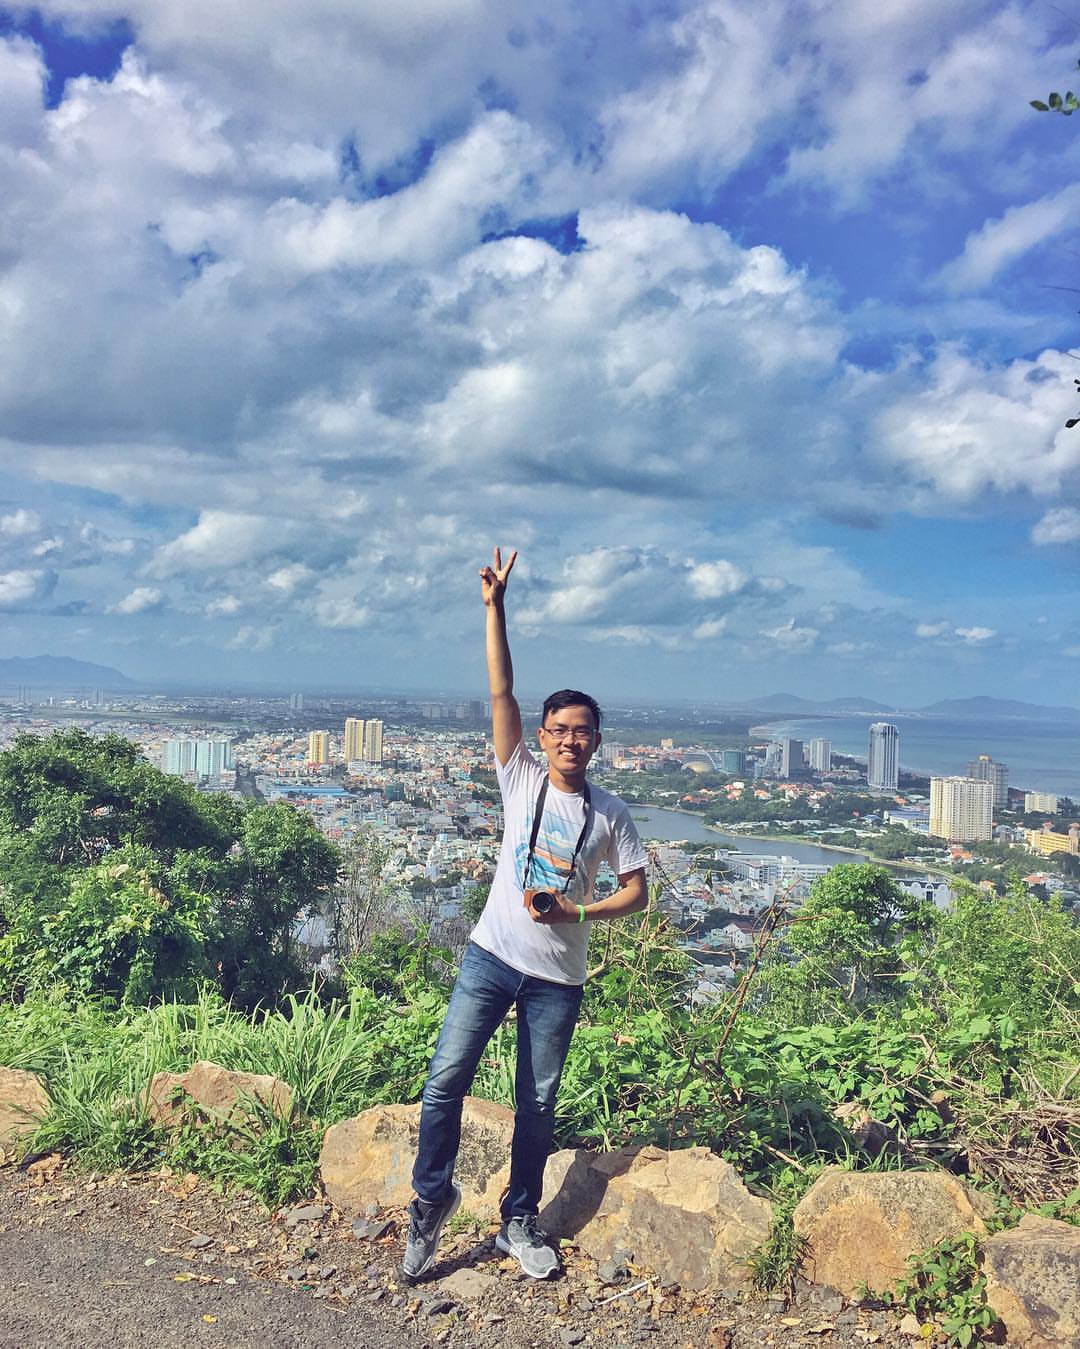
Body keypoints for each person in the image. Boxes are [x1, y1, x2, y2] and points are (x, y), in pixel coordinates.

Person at [402, 547, 649, 1281]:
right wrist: (494, 608)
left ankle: (518, 1217)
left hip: (556, 979)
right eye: (559, 728)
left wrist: (580, 909)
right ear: (543, 737)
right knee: (445, 1080)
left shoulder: (611, 812)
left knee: (535, 1106)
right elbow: (501, 690)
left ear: (597, 741)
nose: (570, 738)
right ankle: (429, 1202)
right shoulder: (520, 778)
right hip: (490, 956)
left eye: (583, 730)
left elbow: (637, 891)